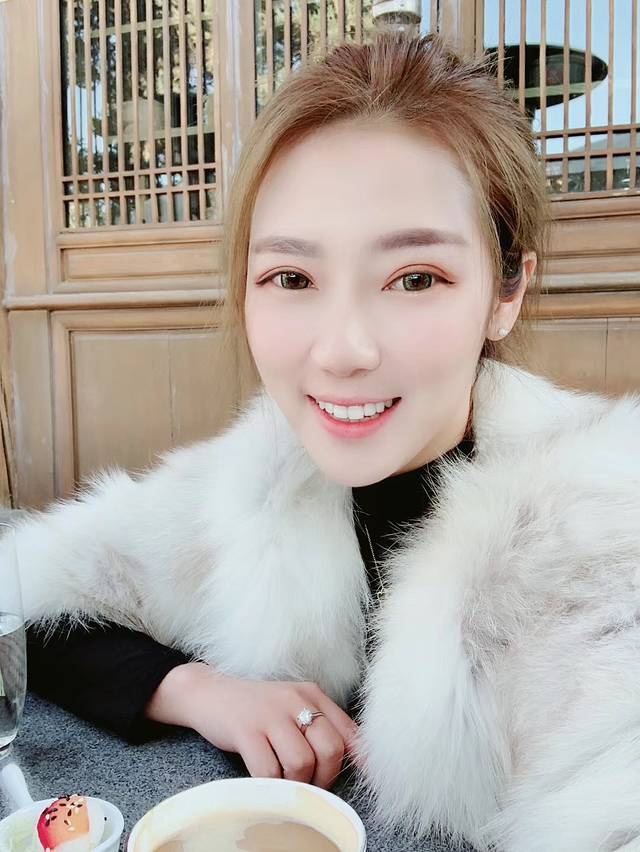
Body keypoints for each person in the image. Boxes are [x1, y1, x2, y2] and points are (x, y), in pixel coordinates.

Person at [7, 33, 640, 852]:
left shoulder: (597, 535)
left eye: (416, 278)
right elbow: (28, 600)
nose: (342, 351)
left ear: (506, 291)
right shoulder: (254, 480)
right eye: (293, 278)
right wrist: (199, 689)